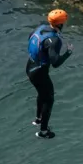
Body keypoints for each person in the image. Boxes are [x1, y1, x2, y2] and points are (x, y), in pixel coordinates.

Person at [26, 9, 72, 139]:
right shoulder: (55, 40)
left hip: (30, 66)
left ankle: (37, 119)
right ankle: (43, 131)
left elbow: (31, 39)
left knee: (42, 93)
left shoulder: (40, 28)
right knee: (49, 99)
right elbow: (55, 63)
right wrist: (68, 52)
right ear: (60, 24)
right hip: (39, 73)